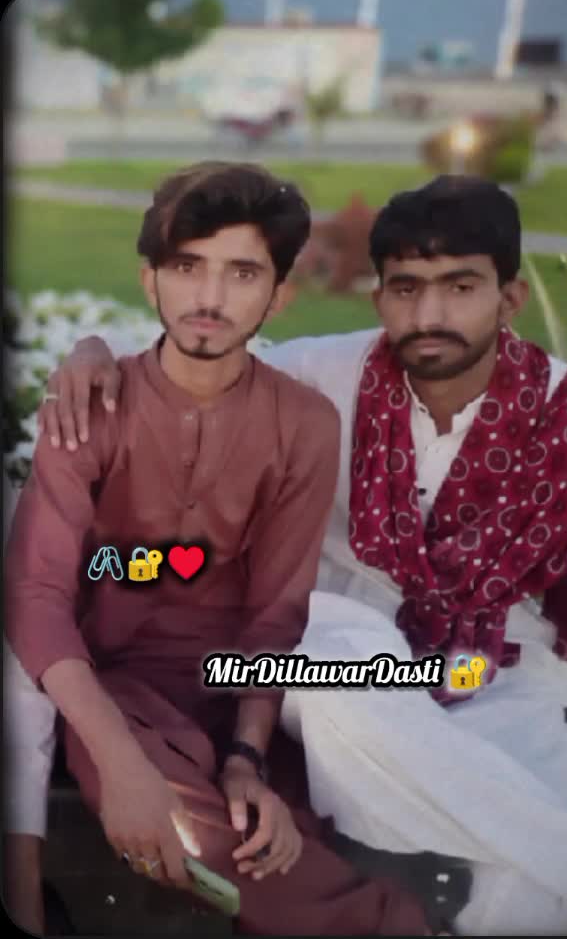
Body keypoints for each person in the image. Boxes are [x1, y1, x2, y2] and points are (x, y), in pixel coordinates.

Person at [23, 175, 567, 936]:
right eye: (406, 288)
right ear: (379, 297)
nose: (429, 315)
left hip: (497, 685)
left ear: (509, 298)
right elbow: (202, 344)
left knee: (524, 910)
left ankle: (563, 874)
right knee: (322, 677)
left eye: (461, 287)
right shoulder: (334, 375)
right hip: (336, 671)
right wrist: (92, 351)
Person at [3, 161, 436, 936]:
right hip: (114, 699)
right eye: (187, 267)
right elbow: (37, 597)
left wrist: (246, 758)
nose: (210, 297)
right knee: (186, 835)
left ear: (278, 295)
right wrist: (121, 764)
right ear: (150, 281)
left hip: (237, 698)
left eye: (242, 273)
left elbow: (276, 613)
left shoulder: (303, 424)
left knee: (276, 828)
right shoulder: (90, 409)